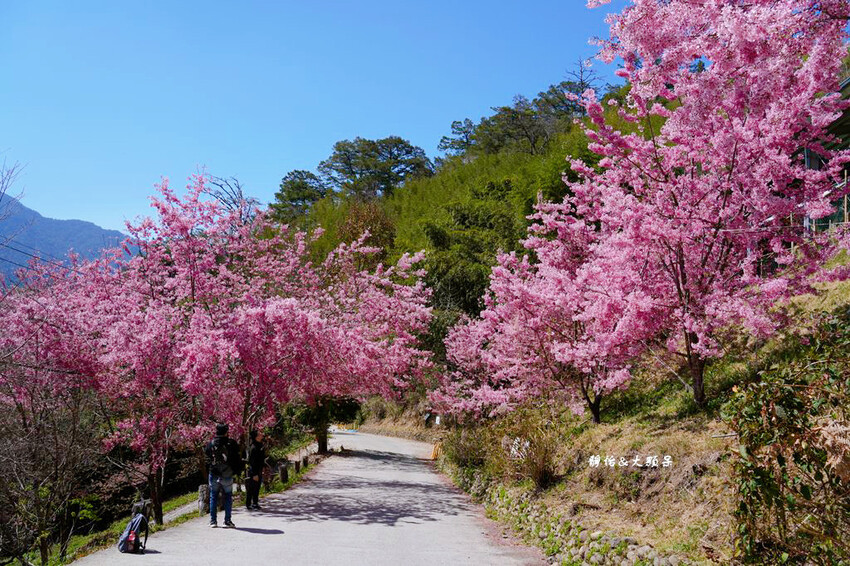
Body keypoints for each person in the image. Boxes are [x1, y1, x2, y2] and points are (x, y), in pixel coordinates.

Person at [204, 423, 243, 528]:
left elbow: (207, 455)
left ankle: (213, 521)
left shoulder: (211, 444)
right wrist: (238, 471)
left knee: (213, 496)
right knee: (228, 497)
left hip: (214, 473)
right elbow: (237, 459)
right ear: (226, 432)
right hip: (227, 473)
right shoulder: (231, 443)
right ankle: (227, 520)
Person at [245, 429, 267, 510]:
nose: (262, 434)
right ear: (256, 437)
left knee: (257, 487)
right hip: (254, 470)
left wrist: (263, 467)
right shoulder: (253, 447)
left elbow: (261, 459)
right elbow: (252, 462)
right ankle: (248, 503)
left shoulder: (260, 445)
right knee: (251, 487)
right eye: (259, 433)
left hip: (259, 469)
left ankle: (255, 502)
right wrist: (254, 474)